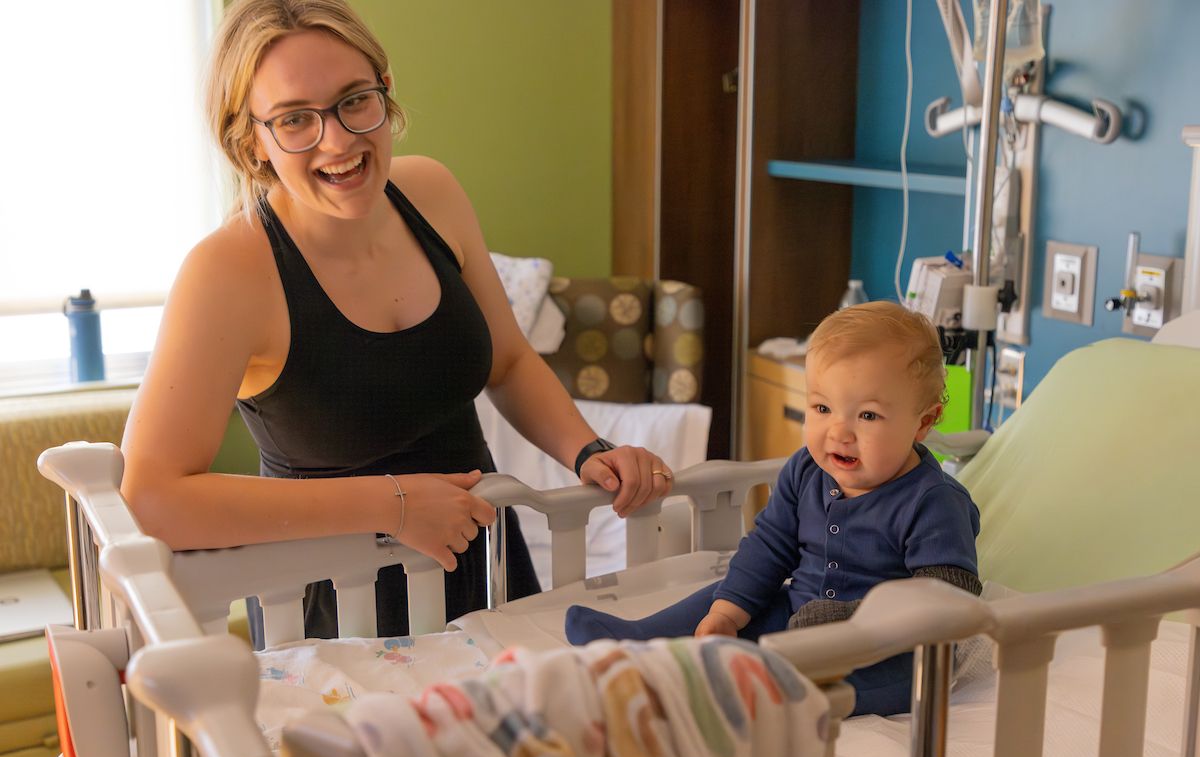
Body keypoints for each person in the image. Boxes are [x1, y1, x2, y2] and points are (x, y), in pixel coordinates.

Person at [120, 0, 674, 645]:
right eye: (296, 119)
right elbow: (151, 498)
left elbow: (509, 361)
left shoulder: (431, 193)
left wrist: (589, 452)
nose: (339, 140)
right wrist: (395, 504)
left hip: (484, 565)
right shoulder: (227, 272)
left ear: (386, 92)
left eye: (355, 100)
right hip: (337, 605)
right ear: (252, 141)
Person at [565, 301, 982, 716]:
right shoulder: (805, 469)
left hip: (891, 651)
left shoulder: (933, 501)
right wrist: (727, 613)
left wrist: (851, 622)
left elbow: (947, 597)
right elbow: (770, 546)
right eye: (822, 408)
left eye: (868, 415)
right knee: (732, 593)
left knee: (844, 680)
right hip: (798, 613)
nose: (839, 432)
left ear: (924, 422)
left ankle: (750, 685)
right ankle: (638, 639)